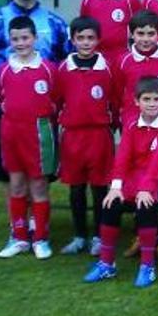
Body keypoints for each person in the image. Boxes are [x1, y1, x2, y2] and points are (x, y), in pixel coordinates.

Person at [0, 0, 69, 186]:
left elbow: (67, 58)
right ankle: (18, 220)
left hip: (42, 106)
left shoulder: (54, 22)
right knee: (7, 169)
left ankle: (38, 221)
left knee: (42, 168)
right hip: (6, 107)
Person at [83, 76, 158, 287]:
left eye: (156, 99)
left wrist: (147, 188)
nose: (152, 103)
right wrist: (116, 187)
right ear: (137, 101)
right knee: (110, 205)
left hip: (157, 179)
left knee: (146, 208)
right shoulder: (132, 125)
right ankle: (106, 264)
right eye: (146, 99)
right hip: (133, 179)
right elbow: (123, 157)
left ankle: (147, 266)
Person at [0, 16, 59, 259]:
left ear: (35, 38)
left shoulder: (48, 69)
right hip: (11, 132)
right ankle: (19, 237)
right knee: (17, 184)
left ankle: (40, 238)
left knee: (39, 185)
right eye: (15, 39)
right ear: (9, 41)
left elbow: (56, 100)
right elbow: (2, 99)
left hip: (38, 132)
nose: (20, 43)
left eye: (25, 38)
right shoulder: (3, 70)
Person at [57, 17, 117, 256]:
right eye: (80, 38)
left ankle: (99, 237)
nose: (85, 42)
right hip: (72, 137)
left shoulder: (108, 68)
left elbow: (115, 100)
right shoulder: (63, 68)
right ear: (72, 40)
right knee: (76, 188)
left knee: (100, 189)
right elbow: (56, 99)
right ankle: (79, 236)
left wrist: (111, 127)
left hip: (99, 136)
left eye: (90, 38)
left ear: (98, 40)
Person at [113, 10, 158, 126]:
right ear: (132, 34)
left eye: (151, 34)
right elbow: (117, 94)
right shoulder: (123, 61)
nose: (146, 39)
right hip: (132, 124)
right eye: (140, 34)